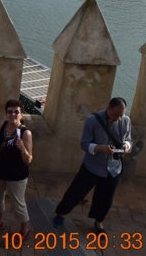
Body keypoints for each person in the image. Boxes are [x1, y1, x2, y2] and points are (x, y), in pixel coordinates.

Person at [53, 97, 132, 233]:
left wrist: (126, 146)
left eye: (121, 115)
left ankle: (99, 221)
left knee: (106, 198)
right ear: (108, 109)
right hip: (93, 166)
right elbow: (85, 144)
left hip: (113, 168)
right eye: (115, 115)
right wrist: (101, 148)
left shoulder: (126, 120)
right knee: (76, 192)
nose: (118, 118)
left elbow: (129, 139)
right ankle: (61, 214)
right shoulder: (92, 121)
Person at [0, 100, 33, 238]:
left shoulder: (25, 133)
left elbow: (29, 160)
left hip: (16, 176)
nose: (13, 114)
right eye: (10, 111)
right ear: (6, 114)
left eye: (16, 112)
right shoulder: (5, 126)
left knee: (18, 204)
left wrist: (22, 148)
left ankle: (25, 229)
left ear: (21, 115)